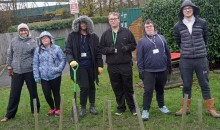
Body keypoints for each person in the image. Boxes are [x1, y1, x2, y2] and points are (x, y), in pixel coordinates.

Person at [173, 0, 220, 118]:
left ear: (193, 9)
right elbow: (179, 41)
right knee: (187, 84)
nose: (187, 10)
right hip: (186, 60)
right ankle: (185, 108)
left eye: (189, 8)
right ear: (182, 11)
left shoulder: (202, 23)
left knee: (205, 84)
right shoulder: (177, 26)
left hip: (201, 59)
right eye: (185, 9)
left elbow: (205, 37)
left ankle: (210, 109)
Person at [1, 23, 40, 122]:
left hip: (29, 71)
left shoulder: (32, 42)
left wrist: (36, 69)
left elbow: (36, 57)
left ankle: (35, 110)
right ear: (19, 32)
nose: (23, 32)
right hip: (17, 71)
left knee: (33, 92)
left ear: (28, 31)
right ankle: (9, 115)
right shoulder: (14, 41)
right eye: (21, 30)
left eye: (25, 30)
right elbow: (10, 55)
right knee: (14, 93)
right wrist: (9, 67)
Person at [65, 15, 103, 117]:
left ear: (88, 24)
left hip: (91, 65)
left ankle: (92, 105)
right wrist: (71, 60)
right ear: (78, 24)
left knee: (91, 86)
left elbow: (98, 52)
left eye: (85, 23)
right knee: (84, 87)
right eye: (81, 23)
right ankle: (82, 107)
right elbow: (68, 50)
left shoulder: (93, 37)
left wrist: (100, 65)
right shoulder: (72, 36)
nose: (83, 25)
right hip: (79, 66)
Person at [100, 12, 137, 116]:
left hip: (125, 64)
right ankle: (121, 107)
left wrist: (127, 48)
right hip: (112, 66)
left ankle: (133, 107)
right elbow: (101, 48)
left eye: (115, 18)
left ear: (119, 20)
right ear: (109, 21)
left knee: (128, 87)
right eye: (111, 19)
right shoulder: (106, 34)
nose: (113, 20)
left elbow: (134, 45)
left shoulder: (127, 32)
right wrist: (110, 50)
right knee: (116, 87)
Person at [137, 19, 172, 121]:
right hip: (148, 71)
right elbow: (139, 58)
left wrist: (169, 67)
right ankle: (145, 110)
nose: (149, 28)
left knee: (160, 90)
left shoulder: (161, 38)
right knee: (148, 91)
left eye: (150, 26)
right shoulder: (142, 41)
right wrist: (141, 71)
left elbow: (168, 53)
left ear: (154, 27)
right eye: (147, 27)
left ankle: (162, 106)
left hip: (162, 70)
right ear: (144, 29)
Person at [33, 31, 66, 116]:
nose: (44, 39)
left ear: (50, 39)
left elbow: (63, 59)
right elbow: (35, 63)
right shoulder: (38, 50)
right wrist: (36, 75)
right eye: (43, 38)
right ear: (41, 40)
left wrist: (59, 69)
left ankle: (58, 109)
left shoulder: (57, 48)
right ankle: (52, 108)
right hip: (44, 77)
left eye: (46, 38)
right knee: (47, 94)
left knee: (56, 92)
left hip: (55, 75)